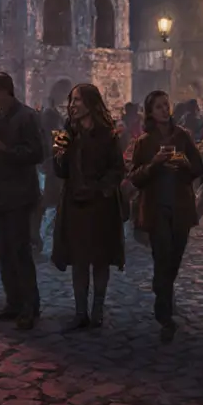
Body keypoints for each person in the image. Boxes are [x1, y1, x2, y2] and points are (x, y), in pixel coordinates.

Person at [129, 90, 203, 343]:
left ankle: (162, 287)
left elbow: (198, 168)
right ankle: (165, 315)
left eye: (166, 105)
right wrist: (154, 163)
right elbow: (136, 177)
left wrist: (184, 163)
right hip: (156, 208)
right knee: (162, 256)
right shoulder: (144, 142)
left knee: (174, 258)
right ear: (150, 112)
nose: (164, 110)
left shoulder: (182, 136)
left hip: (180, 207)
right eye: (159, 107)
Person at [50, 83, 126, 330]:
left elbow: (117, 168)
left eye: (78, 100)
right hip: (75, 203)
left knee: (100, 259)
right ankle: (80, 311)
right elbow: (61, 172)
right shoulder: (68, 132)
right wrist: (59, 156)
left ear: (90, 103)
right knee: (79, 259)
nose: (73, 105)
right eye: (71, 100)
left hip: (101, 205)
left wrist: (101, 188)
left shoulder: (107, 134)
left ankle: (97, 310)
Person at [0, 72, 45, 330]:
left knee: (19, 251)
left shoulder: (26, 116)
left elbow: (36, 153)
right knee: (3, 251)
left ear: (6, 90)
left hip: (19, 195)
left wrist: (3, 149)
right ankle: (13, 302)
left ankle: (30, 305)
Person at [36, 98, 66, 256]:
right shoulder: (53, 129)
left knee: (52, 208)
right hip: (52, 171)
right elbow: (58, 148)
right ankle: (39, 239)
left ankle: (41, 239)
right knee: (50, 207)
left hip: (53, 170)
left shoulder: (53, 128)